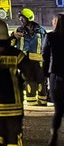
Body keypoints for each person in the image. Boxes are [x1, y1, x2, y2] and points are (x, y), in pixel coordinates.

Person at [12, 7, 47, 106]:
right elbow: (10, 44)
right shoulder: (18, 31)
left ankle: (42, 100)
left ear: (28, 18)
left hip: (39, 61)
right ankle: (31, 102)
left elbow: (47, 46)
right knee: (29, 80)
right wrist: (13, 36)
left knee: (41, 81)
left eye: (22, 18)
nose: (20, 20)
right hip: (24, 61)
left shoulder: (41, 31)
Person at [43, 13, 64, 146]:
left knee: (58, 109)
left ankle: (54, 135)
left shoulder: (50, 36)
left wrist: (45, 74)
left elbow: (45, 56)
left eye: (53, 20)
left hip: (56, 76)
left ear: (56, 22)